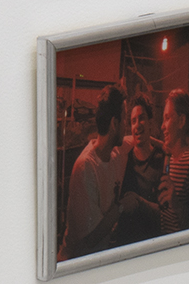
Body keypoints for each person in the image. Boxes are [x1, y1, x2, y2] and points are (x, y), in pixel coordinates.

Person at [59, 86, 131, 260]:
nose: (127, 126)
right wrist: (122, 206)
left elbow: (138, 139)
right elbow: (90, 239)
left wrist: (166, 146)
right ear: (114, 123)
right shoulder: (86, 167)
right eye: (124, 119)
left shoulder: (115, 153)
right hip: (76, 264)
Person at [158, 92, 189, 233]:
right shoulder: (170, 160)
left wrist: (177, 205)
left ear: (181, 121)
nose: (162, 126)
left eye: (167, 118)